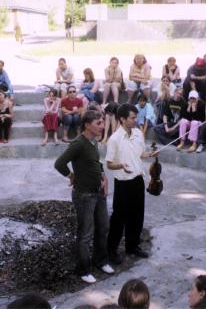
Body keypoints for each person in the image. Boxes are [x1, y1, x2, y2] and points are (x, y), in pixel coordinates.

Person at [54, 110, 114, 284]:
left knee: (103, 227)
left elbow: (95, 162)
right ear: (87, 125)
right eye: (98, 123)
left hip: (98, 192)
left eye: (102, 122)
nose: (102, 126)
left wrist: (103, 175)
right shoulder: (78, 143)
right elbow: (59, 163)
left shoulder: (93, 142)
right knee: (85, 234)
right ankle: (84, 269)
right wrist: (71, 176)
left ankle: (100, 261)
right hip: (84, 195)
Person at [106, 103, 157, 264]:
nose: (136, 120)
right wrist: (121, 165)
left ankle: (132, 246)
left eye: (136, 117)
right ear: (122, 119)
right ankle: (111, 251)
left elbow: (140, 154)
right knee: (119, 218)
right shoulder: (114, 139)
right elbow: (109, 164)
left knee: (137, 215)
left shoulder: (138, 134)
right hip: (122, 183)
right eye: (133, 118)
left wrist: (150, 154)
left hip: (137, 180)